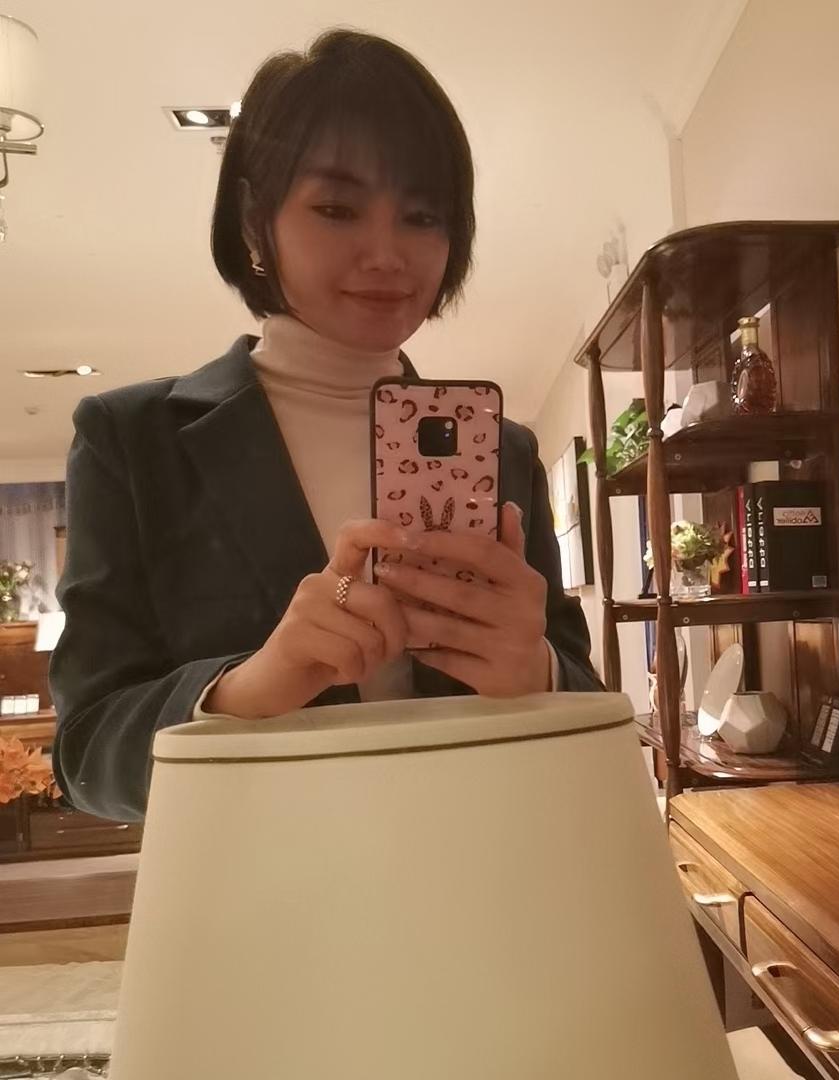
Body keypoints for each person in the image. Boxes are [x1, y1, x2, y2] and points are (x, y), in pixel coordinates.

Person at [49, 29, 603, 823]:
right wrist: (241, 689)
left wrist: (541, 672)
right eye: (337, 208)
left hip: (486, 860)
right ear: (255, 221)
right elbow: (85, 756)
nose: (387, 253)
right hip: (260, 881)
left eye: (423, 215)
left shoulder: (502, 451)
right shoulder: (133, 442)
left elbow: (583, 700)